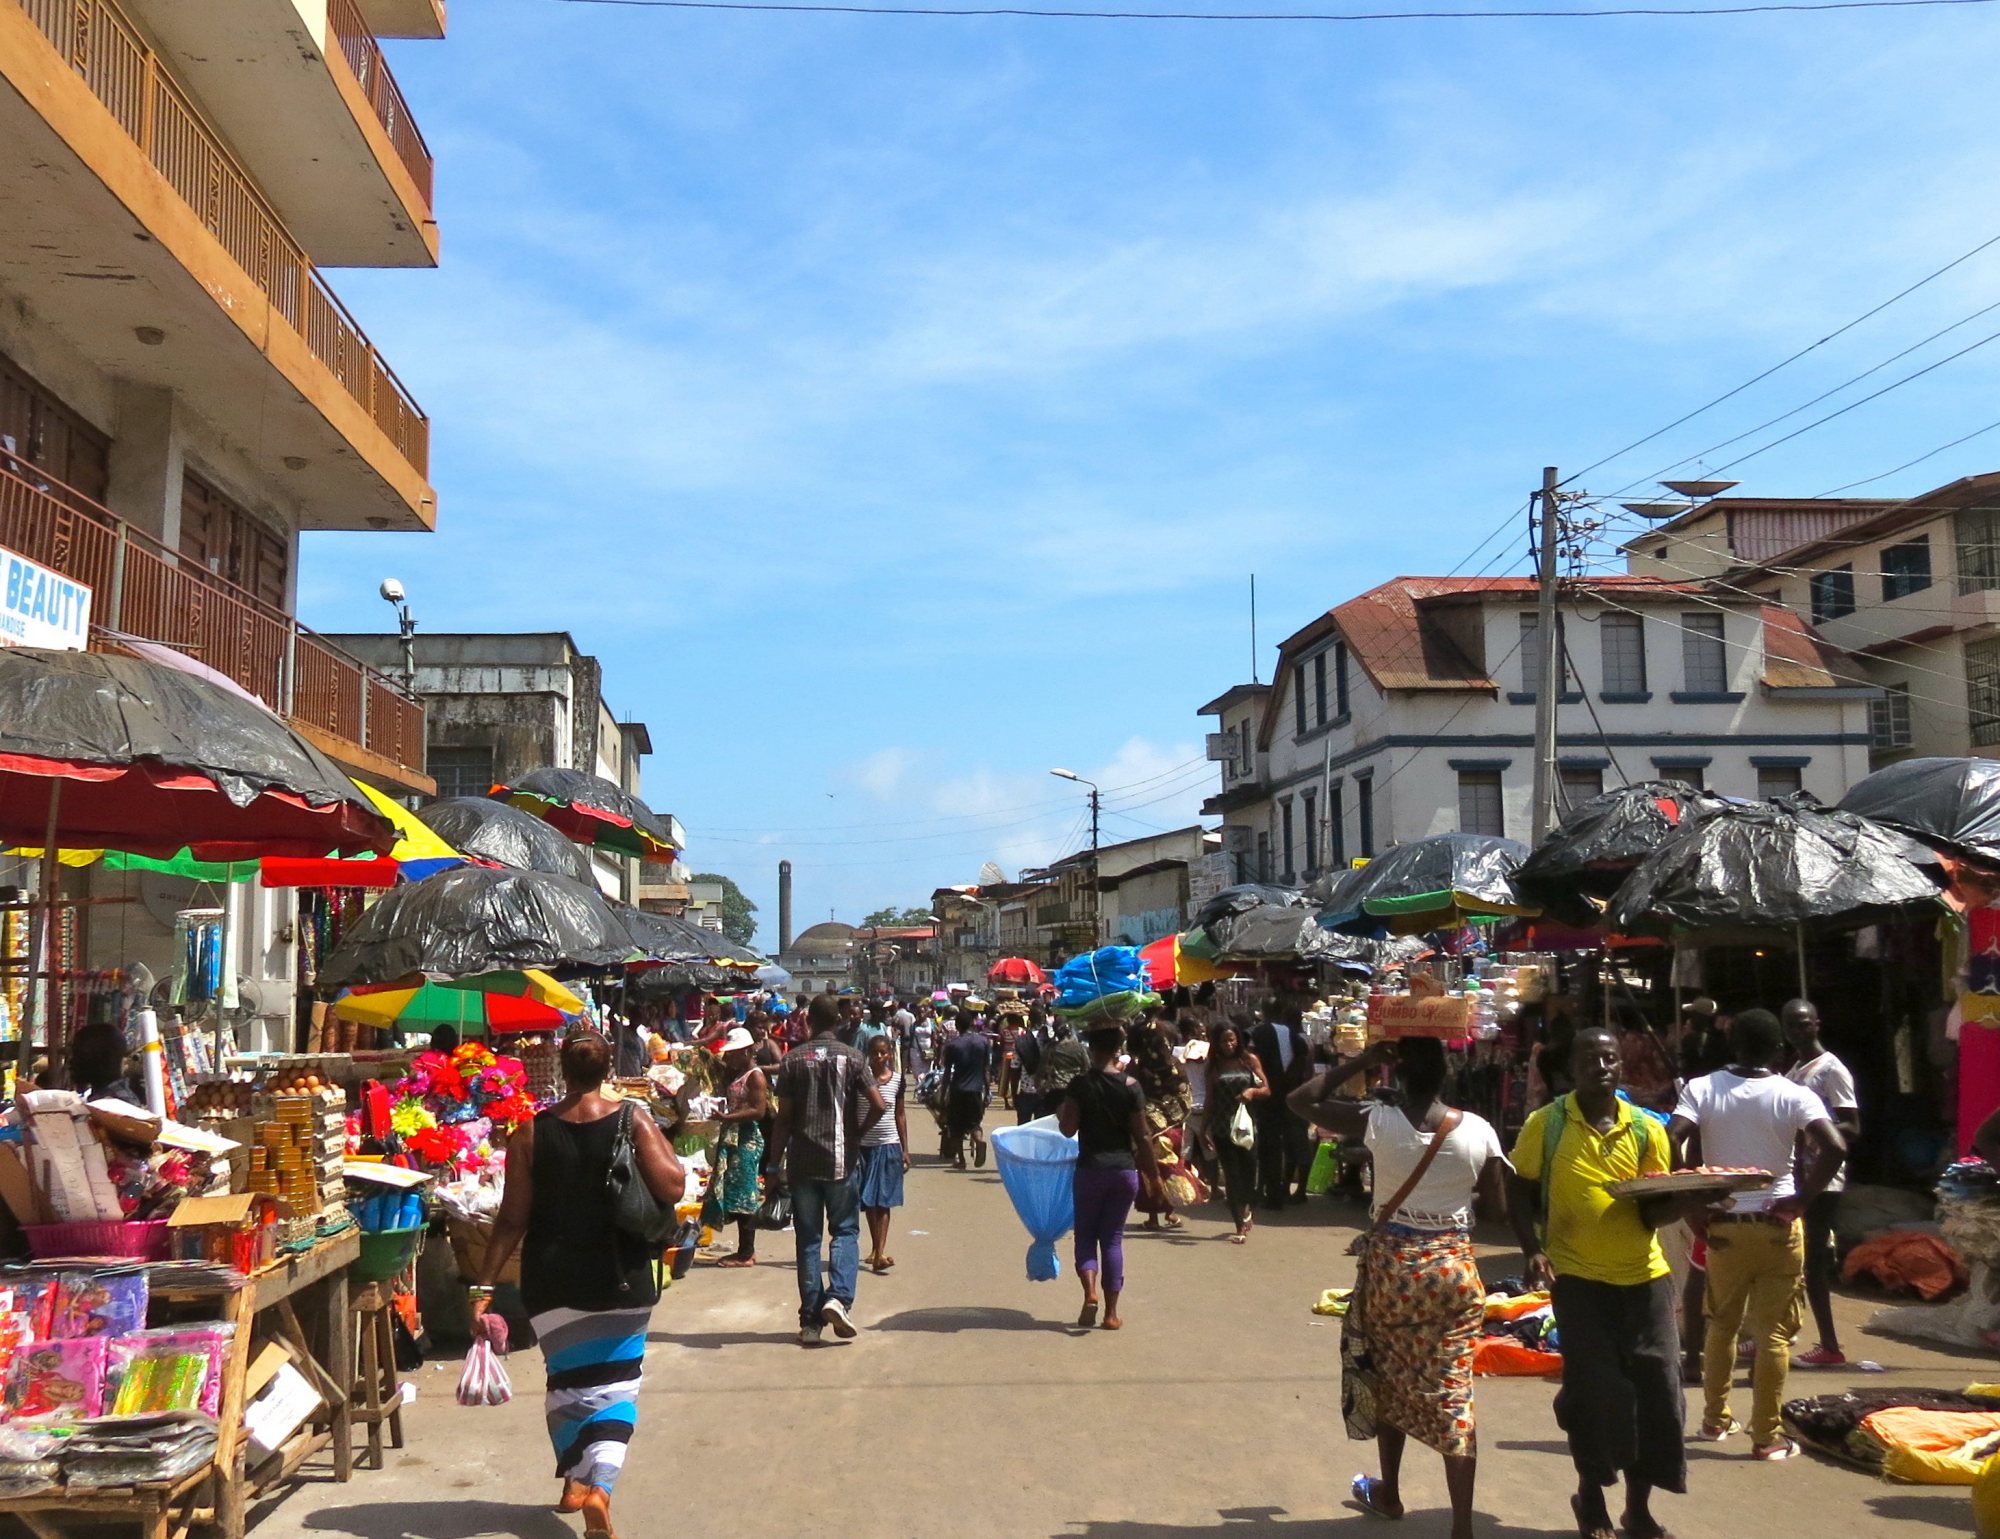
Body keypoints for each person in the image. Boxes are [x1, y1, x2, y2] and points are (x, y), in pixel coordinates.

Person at [1290, 1039, 1508, 1539]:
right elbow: (1495, 1209)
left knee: (1385, 1377)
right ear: (1447, 1074)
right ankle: (1461, 1527)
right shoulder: (1478, 1130)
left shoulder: (1378, 1121)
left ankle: (1389, 1492)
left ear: (1399, 1074)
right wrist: (1451, 1191)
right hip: (1454, 1274)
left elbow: (1301, 1101)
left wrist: (1364, 1061)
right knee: (1454, 1394)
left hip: (1393, 1272)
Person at [476, 1029, 685, 1539]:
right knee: (616, 1388)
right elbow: (674, 1184)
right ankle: (600, 1489)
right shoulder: (632, 1117)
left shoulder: (529, 1131)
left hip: (552, 1280)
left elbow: (511, 1219)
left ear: (562, 1070)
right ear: (608, 1068)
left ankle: (573, 1476)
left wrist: (481, 1285)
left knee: (566, 1381)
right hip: (622, 1277)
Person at [1509, 1026, 1694, 1539]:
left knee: (1658, 1392)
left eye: (1610, 1058)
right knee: (1596, 1393)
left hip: (1646, 1280)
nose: (1603, 1066)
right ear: (1572, 1068)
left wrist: (1690, 1199)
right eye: (1591, 1058)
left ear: (1621, 1066)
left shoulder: (1646, 1129)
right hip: (1579, 1280)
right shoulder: (1545, 1125)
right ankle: (1591, 1494)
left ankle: (1639, 1508)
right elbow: (1518, 1192)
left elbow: (1652, 1211)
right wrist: (1533, 1250)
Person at [1669, 1007, 1844, 1460]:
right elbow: (1836, 1146)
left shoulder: (1701, 1088)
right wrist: (1803, 1199)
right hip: (1778, 1226)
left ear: (1733, 1045)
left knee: (1721, 1324)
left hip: (1723, 1224)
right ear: (1778, 1049)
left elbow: (1672, 1138)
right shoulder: (1793, 1094)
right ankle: (1766, 1437)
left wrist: (1691, 1199)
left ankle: (1713, 1420)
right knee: (1773, 1336)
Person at [765, 994, 886, 1345]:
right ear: (838, 1022)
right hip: (842, 1162)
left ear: (808, 1022)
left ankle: (810, 1321)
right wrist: (857, 1135)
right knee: (845, 1231)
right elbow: (878, 1105)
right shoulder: (854, 1058)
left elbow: (783, 1120)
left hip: (802, 1164)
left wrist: (774, 1167)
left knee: (808, 1239)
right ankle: (838, 1298)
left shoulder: (791, 1061)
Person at [1057, 1024, 1166, 1330]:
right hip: (1123, 1172)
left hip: (1090, 1170)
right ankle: (1111, 1313)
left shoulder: (1080, 1085)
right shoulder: (1131, 1085)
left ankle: (1090, 1293)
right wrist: (1154, 1177)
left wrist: (1060, 1108)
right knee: (1113, 1240)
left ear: (1091, 1048)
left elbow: (1068, 1129)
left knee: (1086, 1237)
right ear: (1118, 1048)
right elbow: (1143, 1136)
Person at [1781, 998, 1861, 1367]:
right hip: (1795, 1175)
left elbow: (1851, 1127)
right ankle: (1779, 1332)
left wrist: (1812, 1131)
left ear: (1817, 1024)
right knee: (1788, 1258)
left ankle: (1830, 1346)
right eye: (1792, 1025)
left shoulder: (1831, 1070)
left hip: (1822, 1178)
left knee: (1812, 1261)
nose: (1799, 1030)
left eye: (1804, 1023)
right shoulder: (1794, 1070)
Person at [1125, 1019, 1195, 1231]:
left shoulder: (1136, 1069)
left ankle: (1154, 1217)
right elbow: (1185, 1096)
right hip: (1174, 1128)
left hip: (1148, 1130)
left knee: (1150, 1170)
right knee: (1172, 1167)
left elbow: (1133, 1099)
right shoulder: (1175, 1066)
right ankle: (1170, 1212)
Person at [710, 1027, 769, 1268]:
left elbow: (759, 1110)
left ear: (746, 1052)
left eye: (733, 1054)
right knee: (735, 1193)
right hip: (734, 1136)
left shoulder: (755, 1076)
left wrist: (728, 1118)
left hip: (746, 1138)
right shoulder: (737, 1073)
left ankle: (746, 1252)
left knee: (746, 1195)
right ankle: (744, 1249)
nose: (729, 1058)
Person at [1205, 1020, 1269, 1244]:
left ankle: (1248, 1207)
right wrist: (1204, 1129)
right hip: (1223, 1127)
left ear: (1238, 1040)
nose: (1228, 1044)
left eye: (1232, 1039)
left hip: (1247, 1126)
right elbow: (1210, 1100)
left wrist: (1252, 1091)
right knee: (1231, 1177)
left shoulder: (1249, 1061)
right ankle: (1239, 1225)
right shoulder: (1214, 1066)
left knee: (1249, 1171)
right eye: (1223, 1040)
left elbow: (1266, 1088)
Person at [856, 1033, 909, 1274]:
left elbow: (899, 1114)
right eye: (875, 1053)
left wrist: (905, 1149)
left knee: (883, 1201)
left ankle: (879, 1251)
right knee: (868, 1201)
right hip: (864, 1146)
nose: (879, 1057)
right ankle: (877, 1248)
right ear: (868, 1053)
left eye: (883, 1052)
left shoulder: (897, 1080)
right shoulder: (859, 1079)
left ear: (889, 1053)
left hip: (888, 1144)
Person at [1250, 1008, 1312, 1206]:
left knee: (1270, 1146)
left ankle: (1272, 1191)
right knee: (1294, 1145)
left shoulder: (1260, 1034)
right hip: (1294, 1098)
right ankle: (1287, 1189)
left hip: (1272, 1100)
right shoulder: (1298, 1039)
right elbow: (1302, 1068)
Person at [942, 1009, 992, 1170]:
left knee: (956, 1127)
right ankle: (978, 1141)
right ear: (972, 1024)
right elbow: (986, 1070)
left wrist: (944, 1093)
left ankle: (961, 1160)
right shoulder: (983, 1042)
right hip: (976, 1089)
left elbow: (947, 1072)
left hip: (958, 1090)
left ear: (957, 1026)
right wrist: (988, 1091)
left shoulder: (953, 1045)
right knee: (975, 1123)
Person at [65, 1021, 142, 1103]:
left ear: (102, 1059)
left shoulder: (118, 1106)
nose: (71, 1062)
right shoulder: (100, 1098)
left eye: (79, 1055)